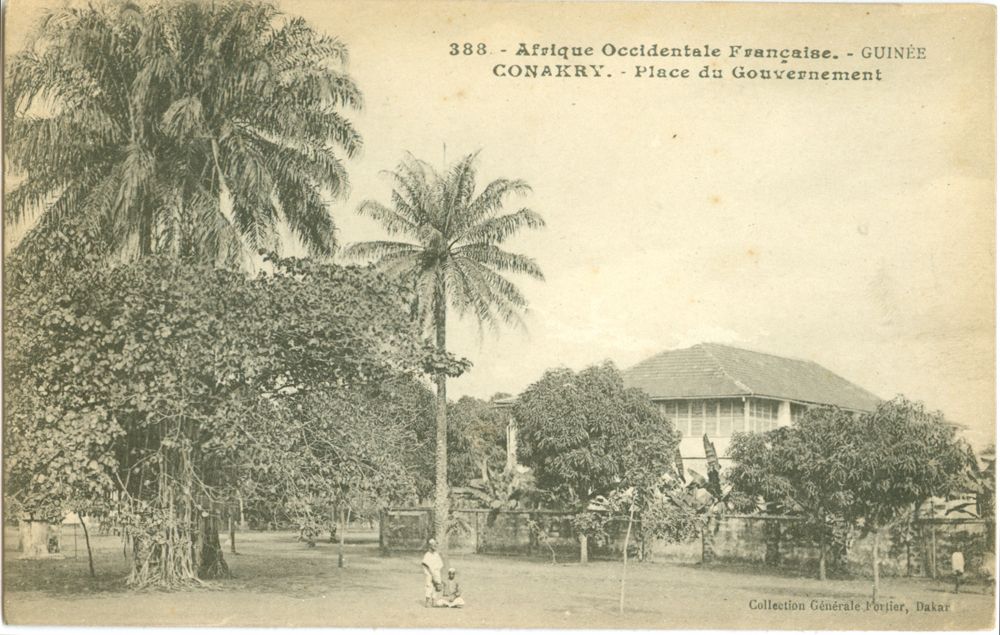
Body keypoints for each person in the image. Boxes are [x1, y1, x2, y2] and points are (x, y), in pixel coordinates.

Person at [421, 538, 444, 607]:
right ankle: (427, 602)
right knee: (429, 587)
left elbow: (440, 564)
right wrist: (432, 574)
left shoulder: (436, 555)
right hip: (430, 574)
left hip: (436, 573)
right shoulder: (427, 555)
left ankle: (434, 601)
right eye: (433, 545)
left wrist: (436, 573)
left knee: (436, 587)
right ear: (430, 546)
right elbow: (426, 565)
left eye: (436, 545)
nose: (435, 547)